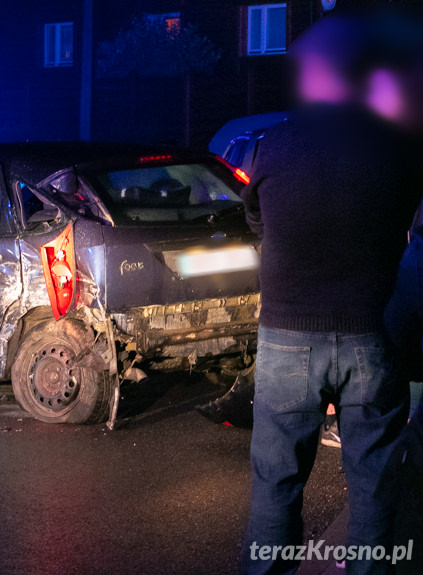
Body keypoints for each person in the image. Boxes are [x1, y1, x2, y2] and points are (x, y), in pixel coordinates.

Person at [240, 15, 422, 575]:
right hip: (371, 333)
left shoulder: (272, 147)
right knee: (372, 483)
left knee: (276, 484)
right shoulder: (397, 148)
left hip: (287, 337)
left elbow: (256, 222)